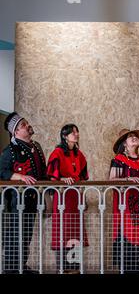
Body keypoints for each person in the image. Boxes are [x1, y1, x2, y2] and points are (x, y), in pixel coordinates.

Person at [0, 112, 47, 273]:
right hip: (17, 201)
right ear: (15, 132)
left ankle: (21, 266)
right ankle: (11, 269)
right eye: (22, 125)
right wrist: (19, 176)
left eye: (26, 122)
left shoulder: (36, 147)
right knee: (15, 235)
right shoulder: (10, 150)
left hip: (34, 200)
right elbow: (2, 171)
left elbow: (44, 172)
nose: (27, 125)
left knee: (26, 234)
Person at [109, 129, 139, 274]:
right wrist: (127, 180)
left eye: (135, 136)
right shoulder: (119, 159)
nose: (134, 138)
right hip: (128, 206)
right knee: (129, 238)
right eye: (130, 137)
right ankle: (129, 269)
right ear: (124, 143)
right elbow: (111, 181)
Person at [47, 124, 89, 274]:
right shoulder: (57, 153)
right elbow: (52, 177)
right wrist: (62, 179)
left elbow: (83, 177)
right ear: (65, 136)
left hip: (76, 197)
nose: (76, 134)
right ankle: (62, 268)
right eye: (73, 132)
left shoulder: (79, 154)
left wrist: (83, 196)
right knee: (62, 232)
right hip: (62, 198)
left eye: (77, 131)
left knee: (76, 231)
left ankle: (75, 268)